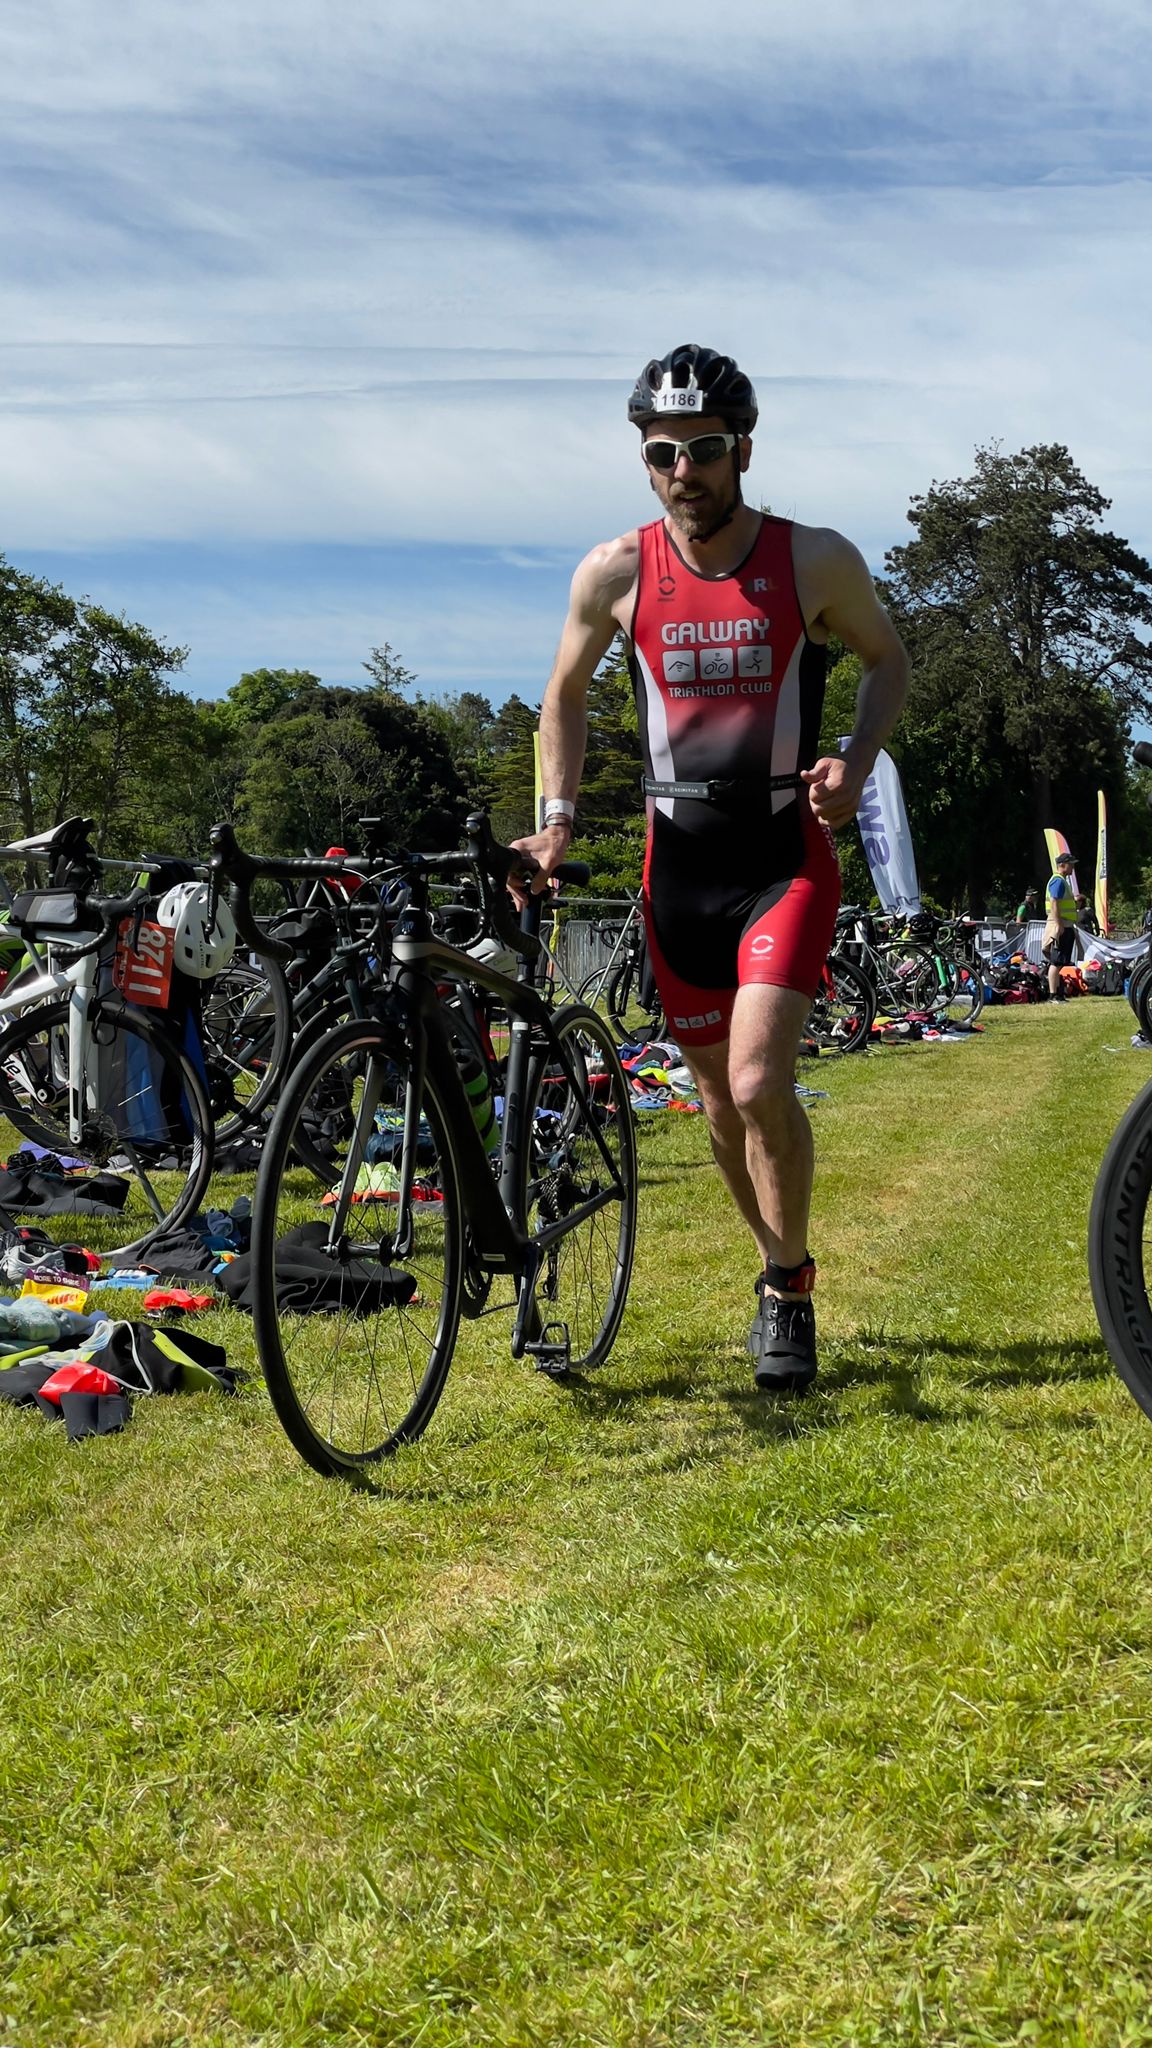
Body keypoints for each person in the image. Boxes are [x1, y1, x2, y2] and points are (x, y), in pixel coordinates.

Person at [513, 343, 909, 1393]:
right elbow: (562, 695)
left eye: (706, 449)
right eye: (663, 452)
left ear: (744, 449)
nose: (684, 471)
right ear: (644, 458)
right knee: (720, 1108)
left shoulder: (812, 560)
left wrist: (857, 757)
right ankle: (775, 1267)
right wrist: (555, 822)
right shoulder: (615, 571)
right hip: (676, 870)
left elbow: (887, 658)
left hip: (782, 854)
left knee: (756, 1078)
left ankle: (789, 1288)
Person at [1042, 851, 1079, 996]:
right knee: (1056, 962)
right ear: (1062, 865)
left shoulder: (1062, 880)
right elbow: (1054, 902)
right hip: (1060, 924)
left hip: (1064, 924)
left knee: (1060, 961)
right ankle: (1053, 994)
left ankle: (1058, 993)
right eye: (1071, 864)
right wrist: (1059, 925)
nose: (1073, 867)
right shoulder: (1058, 881)